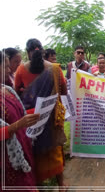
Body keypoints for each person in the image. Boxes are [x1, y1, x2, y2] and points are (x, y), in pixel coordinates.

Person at [14, 38, 68, 191]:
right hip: (51, 118)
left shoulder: (20, 70)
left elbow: (16, 94)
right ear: (43, 51)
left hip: (31, 120)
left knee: (34, 153)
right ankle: (61, 185)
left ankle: (38, 185)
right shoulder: (55, 69)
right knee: (55, 150)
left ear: (27, 52)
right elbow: (63, 91)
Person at [0, 51, 40, 191]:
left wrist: (38, 111)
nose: (9, 70)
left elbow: (19, 114)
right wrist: (18, 125)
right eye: (5, 66)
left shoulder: (7, 89)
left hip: (23, 146)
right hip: (8, 160)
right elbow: (17, 122)